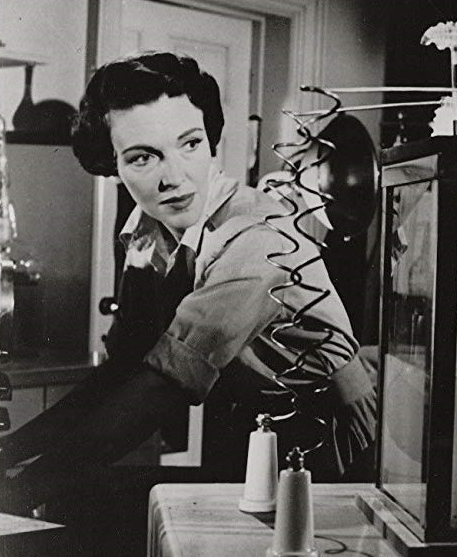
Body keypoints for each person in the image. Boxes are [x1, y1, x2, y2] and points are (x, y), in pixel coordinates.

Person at [0, 53, 376, 514]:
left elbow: (163, 388)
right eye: (143, 157)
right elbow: (124, 367)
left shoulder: (256, 239)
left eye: (190, 144)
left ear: (211, 141)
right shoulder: (147, 232)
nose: (174, 178)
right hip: (253, 429)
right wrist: (11, 451)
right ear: (112, 166)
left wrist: (30, 483)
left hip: (339, 446)